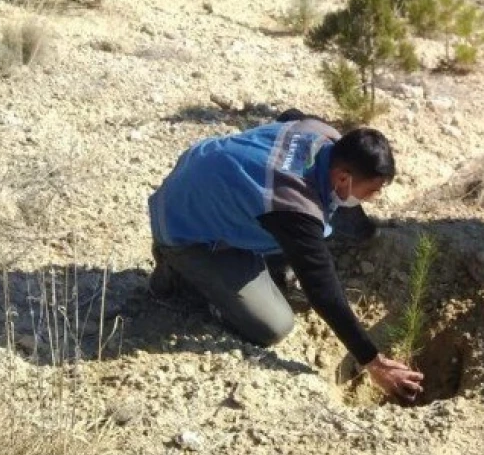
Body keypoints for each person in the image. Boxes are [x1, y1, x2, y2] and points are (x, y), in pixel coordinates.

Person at [147, 111, 423, 401]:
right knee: (275, 325)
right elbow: (321, 289)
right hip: (182, 226)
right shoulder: (291, 207)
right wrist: (374, 362)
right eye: (372, 191)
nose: (373, 198)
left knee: (304, 240)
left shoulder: (321, 133)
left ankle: (233, 252)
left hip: (197, 168)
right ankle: (180, 274)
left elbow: (287, 116)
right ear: (343, 178)